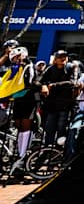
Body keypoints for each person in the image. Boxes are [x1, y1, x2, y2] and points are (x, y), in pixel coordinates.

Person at [2, 46, 42, 175]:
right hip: (19, 101)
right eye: (13, 58)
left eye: (17, 57)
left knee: (25, 126)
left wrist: (16, 93)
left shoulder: (29, 66)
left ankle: (23, 155)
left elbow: (30, 83)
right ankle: (19, 154)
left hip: (29, 100)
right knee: (19, 126)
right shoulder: (14, 69)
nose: (15, 60)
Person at [39, 50, 79, 146]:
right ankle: (47, 149)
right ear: (55, 59)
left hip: (65, 104)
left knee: (62, 128)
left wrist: (54, 85)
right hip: (52, 104)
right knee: (49, 128)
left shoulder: (71, 67)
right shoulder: (50, 69)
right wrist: (43, 86)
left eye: (65, 56)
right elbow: (41, 81)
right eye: (60, 57)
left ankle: (59, 150)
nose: (63, 58)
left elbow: (72, 82)